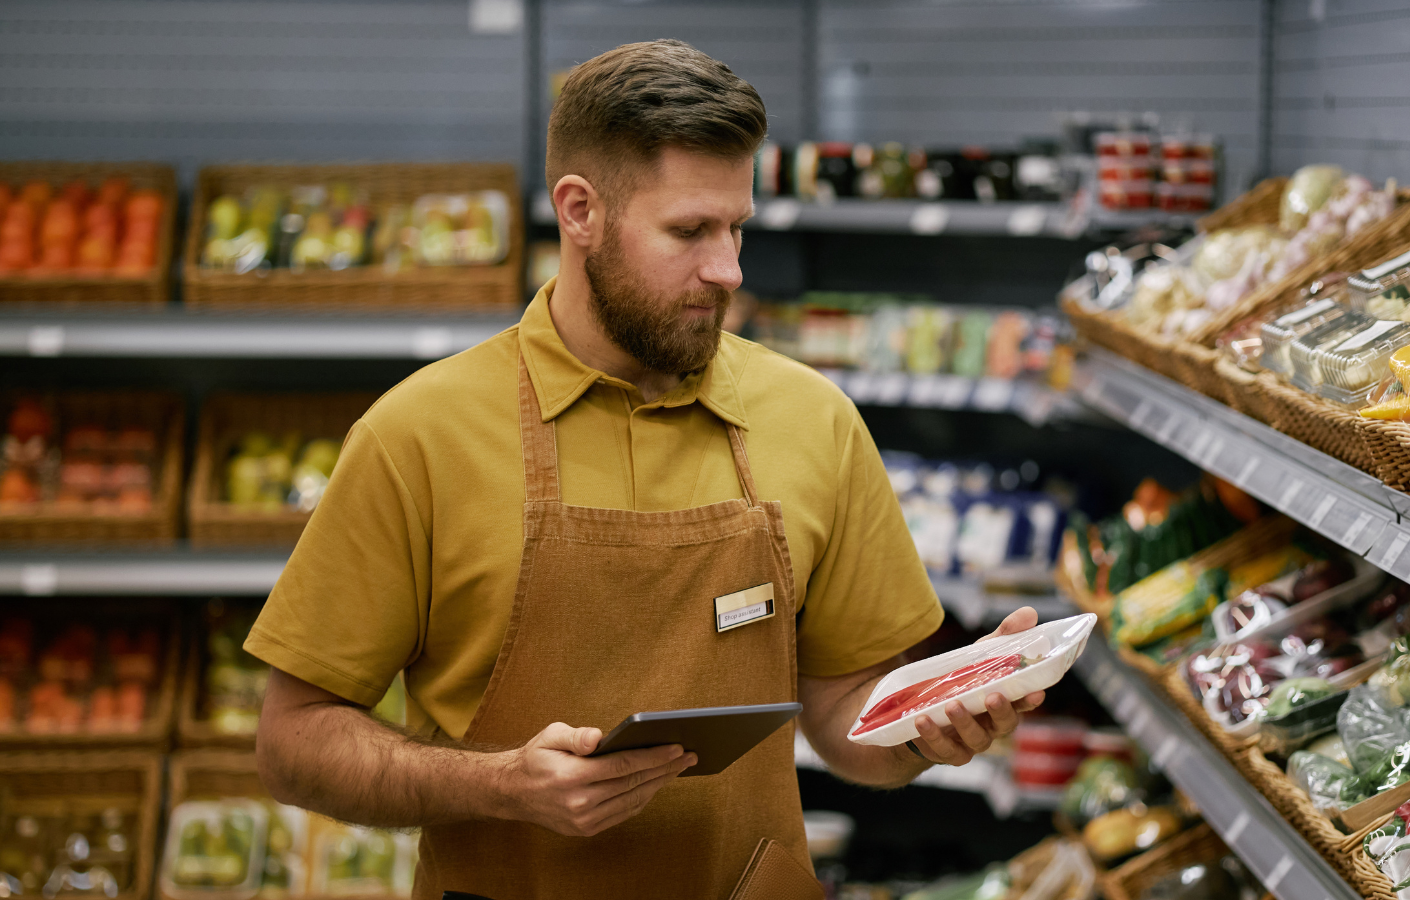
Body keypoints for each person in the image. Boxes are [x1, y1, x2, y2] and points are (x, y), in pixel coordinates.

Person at [248, 39, 1044, 899]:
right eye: (689, 230)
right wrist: (498, 784)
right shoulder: (419, 436)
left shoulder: (813, 420)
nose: (728, 268)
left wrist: (927, 726)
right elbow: (295, 741)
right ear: (580, 211)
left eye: (737, 227)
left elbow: (843, 704)